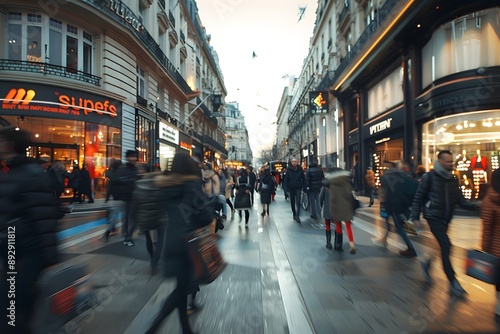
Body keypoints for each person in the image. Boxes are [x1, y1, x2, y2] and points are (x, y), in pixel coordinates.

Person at [0, 127, 64, 334]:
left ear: (9, 144)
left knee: (13, 312)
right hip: (10, 251)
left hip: (26, 253)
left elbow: (44, 219)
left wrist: (51, 259)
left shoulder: (31, 174)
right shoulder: (7, 171)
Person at [146, 153, 213, 334]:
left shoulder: (166, 186)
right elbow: (206, 217)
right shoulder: (193, 186)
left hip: (172, 241)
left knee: (181, 287)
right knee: (181, 290)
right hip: (189, 244)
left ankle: (186, 330)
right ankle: (153, 327)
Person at [410, 150, 479, 297]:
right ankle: (453, 281)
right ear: (440, 161)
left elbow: (461, 201)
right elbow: (418, 198)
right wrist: (414, 217)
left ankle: (427, 263)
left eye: (452, 161)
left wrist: (476, 205)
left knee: (442, 247)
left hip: (446, 218)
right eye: (448, 161)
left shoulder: (453, 179)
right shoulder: (429, 177)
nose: (451, 163)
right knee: (447, 245)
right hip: (433, 216)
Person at [376, 162, 419, 256]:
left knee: (400, 228)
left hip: (395, 206)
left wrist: (386, 206)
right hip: (406, 205)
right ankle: (408, 241)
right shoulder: (405, 176)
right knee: (404, 225)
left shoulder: (387, 178)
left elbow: (386, 193)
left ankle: (411, 249)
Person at [480, 168, 500, 319]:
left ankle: (499, 308)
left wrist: (485, 248)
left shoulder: (489, 200)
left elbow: (487, 227)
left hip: (496, 248)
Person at [323, 167, 356, 254]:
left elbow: (333, 199)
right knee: (348, 226)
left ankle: (338, 244)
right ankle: (351, 243)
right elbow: (351, 194)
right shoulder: (347, 182)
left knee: (338, 226)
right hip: (347, 206)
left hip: (337, 208)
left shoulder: (332, 184)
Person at [112, 150, 140, 246]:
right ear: (127, 158)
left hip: (134, 198)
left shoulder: (135, 170)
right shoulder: (122, 169)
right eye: (131, 156)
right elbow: (116, 183)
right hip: (128, 198)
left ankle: (128, 237)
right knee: (130, 218)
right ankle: (127, 237)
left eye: (134, 156)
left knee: (132, 218)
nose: (133, 158)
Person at [103, 159, 124, 241]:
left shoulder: (112, 176)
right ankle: (125, 233)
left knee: (114, 217)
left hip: (115, 199)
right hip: (124, 198)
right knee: (126, 216)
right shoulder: (122, 174)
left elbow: (109, 189)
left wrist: (107, 199)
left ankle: (108, 231)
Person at [284, 158, 306, 222]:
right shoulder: (289, 170)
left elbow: (303, 179)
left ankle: (297, 215)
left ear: (297, 162)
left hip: (298, 187)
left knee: (298, 202)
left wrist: (304, 189)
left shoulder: (300, 169)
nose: (294, 163)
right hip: (291, 188)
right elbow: (286, 180)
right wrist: (286, 189)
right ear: (291, 162)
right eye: (293, 161)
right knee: (292, 202)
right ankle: (294, 213)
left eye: (295, 161)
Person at [319, 167, 333, 249]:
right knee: (338, 226)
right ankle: (338, 243)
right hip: (337, 210)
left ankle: (328, 243)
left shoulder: (325, 186)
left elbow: (320, 198)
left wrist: (321, 207)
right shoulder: (339, 185)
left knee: (327, 225)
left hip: (327, 209)